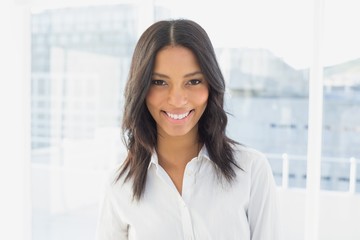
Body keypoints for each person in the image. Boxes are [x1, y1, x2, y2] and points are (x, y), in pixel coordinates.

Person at [96, 19, 279, 240]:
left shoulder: (251, 171)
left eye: (193, 81)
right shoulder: (119, 185)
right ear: (141, 88)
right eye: (159, 82)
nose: (177, 100)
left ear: (211, 86)